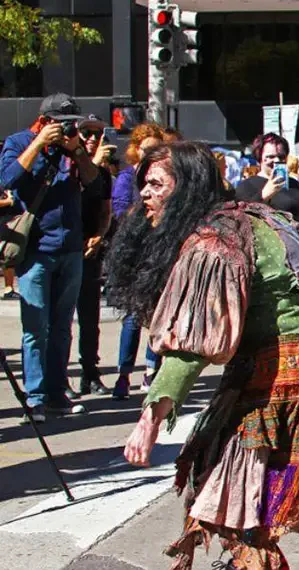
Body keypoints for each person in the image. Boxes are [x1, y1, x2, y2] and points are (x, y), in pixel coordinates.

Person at [106, 141, 299, 569]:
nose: (145, 195)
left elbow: (193, 343)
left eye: (155, 184)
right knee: (252, 498)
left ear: (186, 188)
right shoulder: (260, 215)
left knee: (240, 499)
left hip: (282, 389)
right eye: (143, 185)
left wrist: (150, 420)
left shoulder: (214, 241)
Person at [0, 93, 107, 423]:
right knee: (36, 329)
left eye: (70, 123)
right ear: (44, 121)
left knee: (62, 328)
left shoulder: (72, 150)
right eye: (60, 124)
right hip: (35, 251)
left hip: (70, 249)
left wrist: (77, 150)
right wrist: (39, 145)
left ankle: (56, 392)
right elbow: (7, 180)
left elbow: (94, 185)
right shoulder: (19, 143)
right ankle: (35, 397)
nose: (66, 129)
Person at [111, 123, 180, 399]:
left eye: (156, 148)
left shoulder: (167, 175)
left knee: (159, 314)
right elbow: (120, 210)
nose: (152, 152)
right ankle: (123, 373)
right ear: (135, 150)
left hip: (161, 249)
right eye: (146, 148)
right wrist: (146, 207)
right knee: (133, 317)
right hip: (136, 251)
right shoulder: (128, 178)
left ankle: (152, 371)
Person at [74, 115, 116, 397]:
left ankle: (90, 373)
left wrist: (100, 235)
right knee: (59, 322)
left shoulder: (103, 175)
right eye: (87, 133)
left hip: (90, 252)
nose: (92, 139)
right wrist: (94, 163)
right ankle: (57, 381)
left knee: (90, 320)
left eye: (98, 135)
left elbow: (105, 209)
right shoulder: (69, 167)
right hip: (63, 249)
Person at [235, 133, 299, 229]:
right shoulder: (247, 186)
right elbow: (242, 218)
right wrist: (265, 195)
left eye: (281, 156)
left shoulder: (294, 183)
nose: (277, 160)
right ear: (260, 157)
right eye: (271, 157)